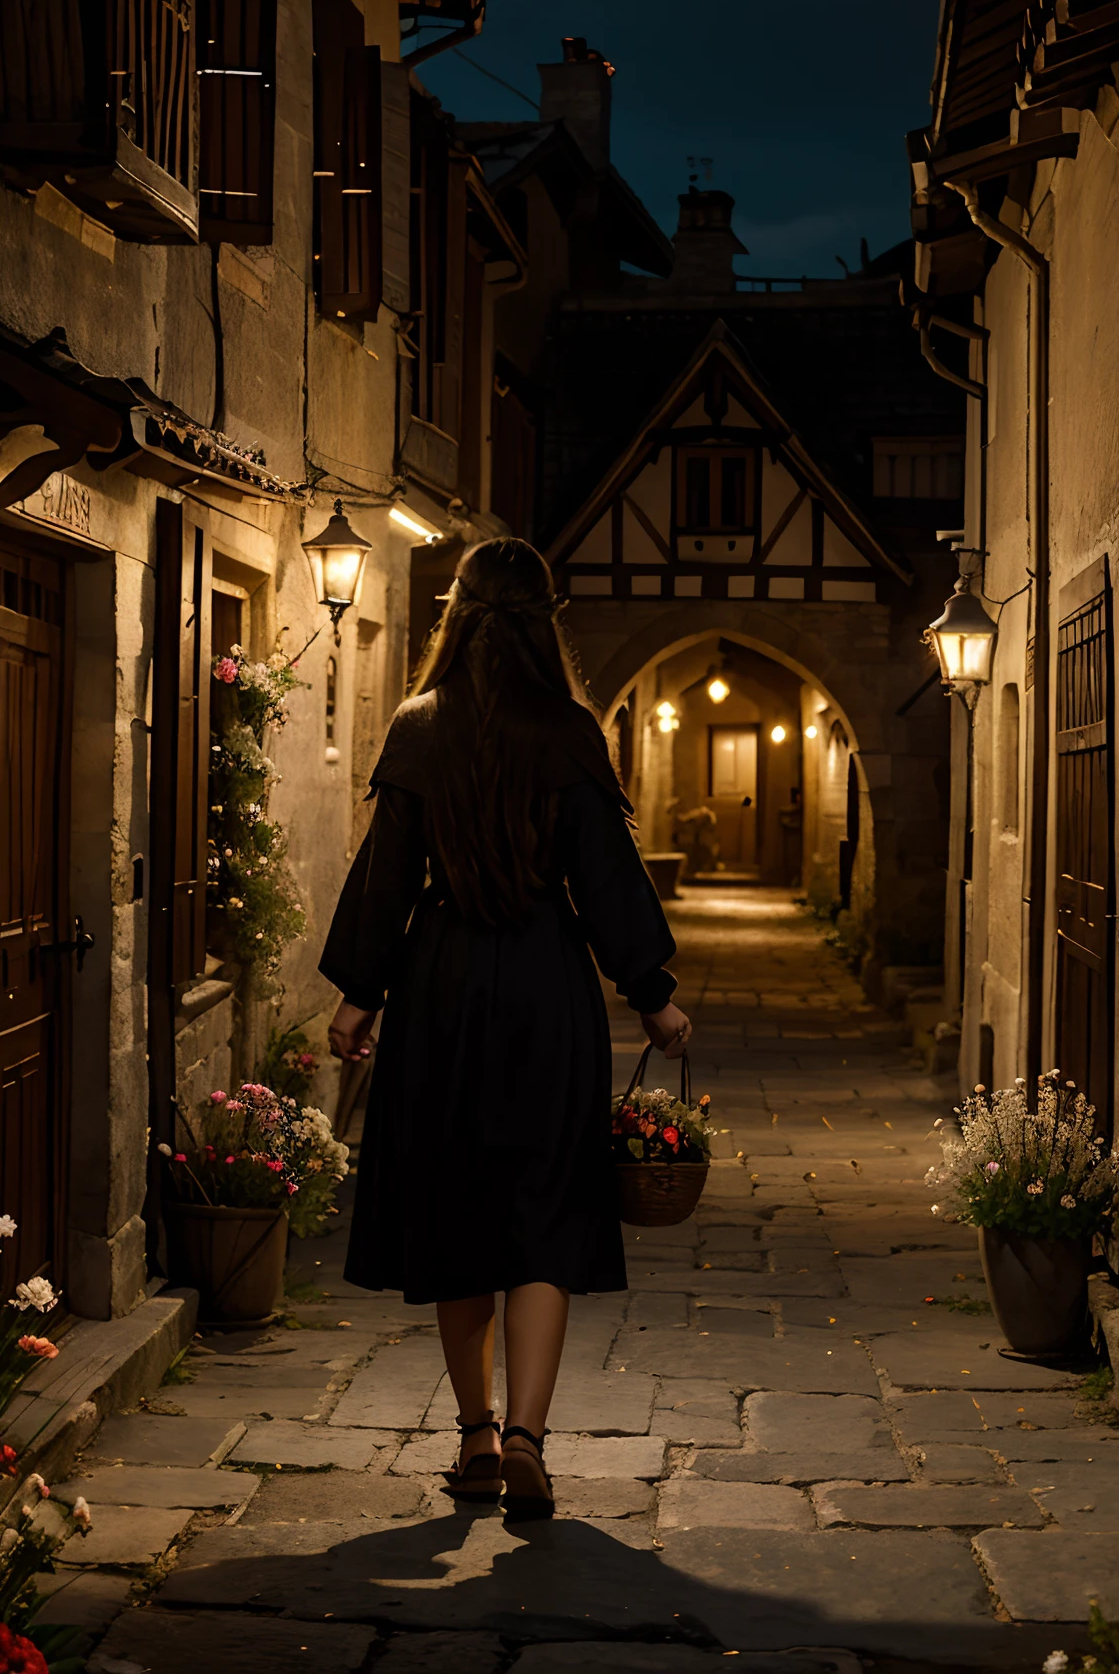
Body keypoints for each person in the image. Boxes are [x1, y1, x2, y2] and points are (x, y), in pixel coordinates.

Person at [320, 537, 691, 1521]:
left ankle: (476, 1436)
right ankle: (528, 1433)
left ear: (457, 616)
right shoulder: (568, 730)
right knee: (544, 1205)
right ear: (542, 621)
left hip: (440, 980)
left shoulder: (416, 729)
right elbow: (606, 876)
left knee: (455, 1203)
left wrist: (359, 991)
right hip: (542, 983)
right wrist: (650, 988)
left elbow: (385, 876)